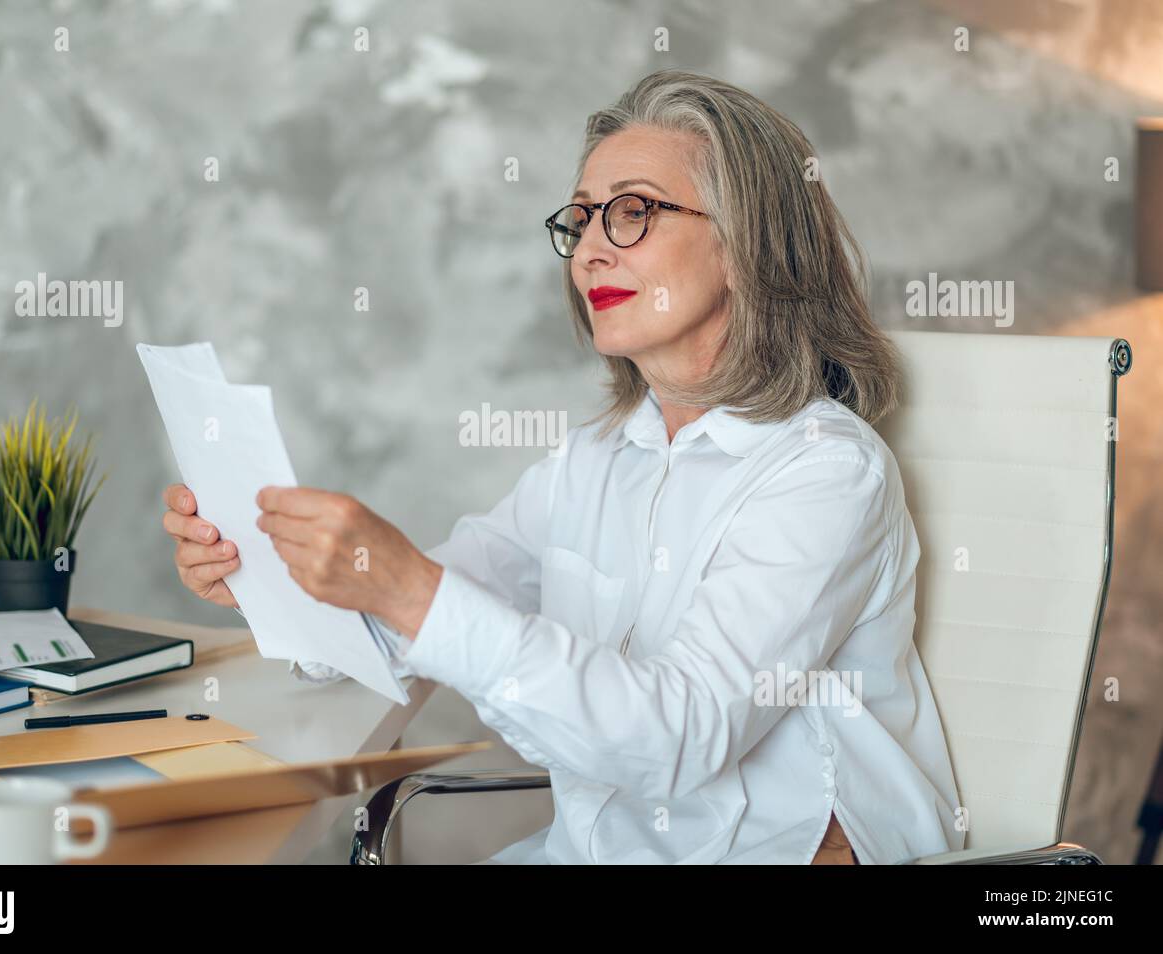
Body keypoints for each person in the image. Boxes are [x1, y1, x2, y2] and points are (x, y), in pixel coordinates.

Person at [160, 69, 964, 864]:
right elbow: (429, 611)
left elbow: (675, 740)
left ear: (744, 245)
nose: (586, 253)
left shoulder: (825, 473)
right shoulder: (594, 459)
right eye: (580, 221)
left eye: (632, 213)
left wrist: (407, 589)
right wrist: (278, 577)